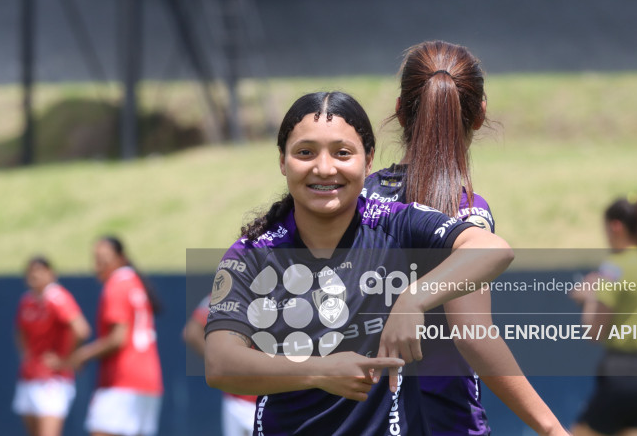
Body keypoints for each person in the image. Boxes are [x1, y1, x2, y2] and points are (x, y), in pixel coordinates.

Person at [203, 91, 515, 435]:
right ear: (282, 161)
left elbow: (492, 249)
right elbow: (219, 363)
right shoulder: (252, 254)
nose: (324, 168)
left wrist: (414, 298)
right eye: (305, 152)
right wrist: (321, 371)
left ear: (368, 162)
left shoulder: (396, 224)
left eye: (342, 153)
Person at [362, 40, 568, 435]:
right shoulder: (466, 211)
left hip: (365, 416)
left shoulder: (360, 199)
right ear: (479, 115)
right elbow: (472, 334)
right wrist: (553, 429)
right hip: (444, 418)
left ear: (400, 110)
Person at [570, 194, 637, 436]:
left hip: (623, 377)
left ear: (615, 226)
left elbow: (594, 332)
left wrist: (589, 298)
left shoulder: (614, 267)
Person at [64, 236, 164, 436]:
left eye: (103, 260)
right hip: (149, 381)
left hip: (121, 380)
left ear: (120, 259)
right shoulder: (134, 282)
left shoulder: (116, 285)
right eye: (95, 260)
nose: (97, 266)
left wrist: (83, 354)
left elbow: (119, 338)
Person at [13, 256, 91, 436]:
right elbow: (20, 331)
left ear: (51, 273)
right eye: (31, 271)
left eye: (40, 270)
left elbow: (81, 329)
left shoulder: (57, 297)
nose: (35, 275)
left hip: (53, 380)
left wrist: (66, 360)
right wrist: (26, 356)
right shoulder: (26, 301)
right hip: (29, 377)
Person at [183, 294, 257, 436]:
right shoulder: (226, 294)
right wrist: (220, 361)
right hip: (252, 396)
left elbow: (191, 332)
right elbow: (191, 332)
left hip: (247, 396)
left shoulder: (226, 292)